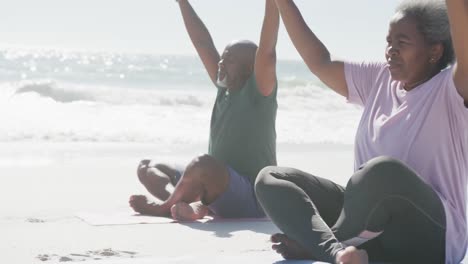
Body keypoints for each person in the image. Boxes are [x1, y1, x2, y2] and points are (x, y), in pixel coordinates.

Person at [255, 0, 468, 263]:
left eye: (402, 42)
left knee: (380, 173)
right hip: (369, 225)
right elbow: (320, 61)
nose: (391, 50)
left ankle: (322, 244)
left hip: (433, 236)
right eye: (389, 42)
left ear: (435, 51)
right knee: (270, 177)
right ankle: (340, 252)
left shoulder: (452, 90)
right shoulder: (379, 79)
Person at [128, 0, 280, 221]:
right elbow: (202, 42)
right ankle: (188, 205)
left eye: (229, 60)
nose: (220, 62)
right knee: (148, 167)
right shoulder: (224, 89)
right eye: (222, 57)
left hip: (252, 196)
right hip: (216, 185)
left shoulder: (259, 93)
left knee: (202, 163)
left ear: (251, 68)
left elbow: (267, 50)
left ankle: (165, 208)